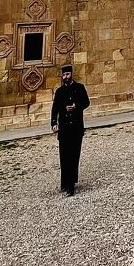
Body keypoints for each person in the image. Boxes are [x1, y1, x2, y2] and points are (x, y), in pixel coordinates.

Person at [51, 64, 90, 196]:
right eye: (63, 75)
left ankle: (71, 184)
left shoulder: (80, 88)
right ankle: (65, 182)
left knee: (74, 155)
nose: (65, 77)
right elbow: (55, 108)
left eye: (67, 74)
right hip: (64, 129)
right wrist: (54, 123)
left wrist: (76, 106)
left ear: (71, 74)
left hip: (76, 128)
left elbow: (86, 102)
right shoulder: (60, 91)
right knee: (64, 156)